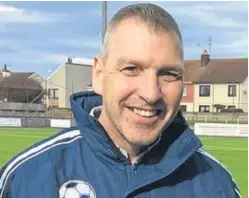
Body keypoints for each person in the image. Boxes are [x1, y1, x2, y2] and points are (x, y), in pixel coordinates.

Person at [0, 3, 241, 198]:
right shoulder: (26, 177)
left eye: (168, 74)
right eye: (131, 68)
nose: (151, 93)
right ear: (99, 75)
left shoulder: (216, 184)